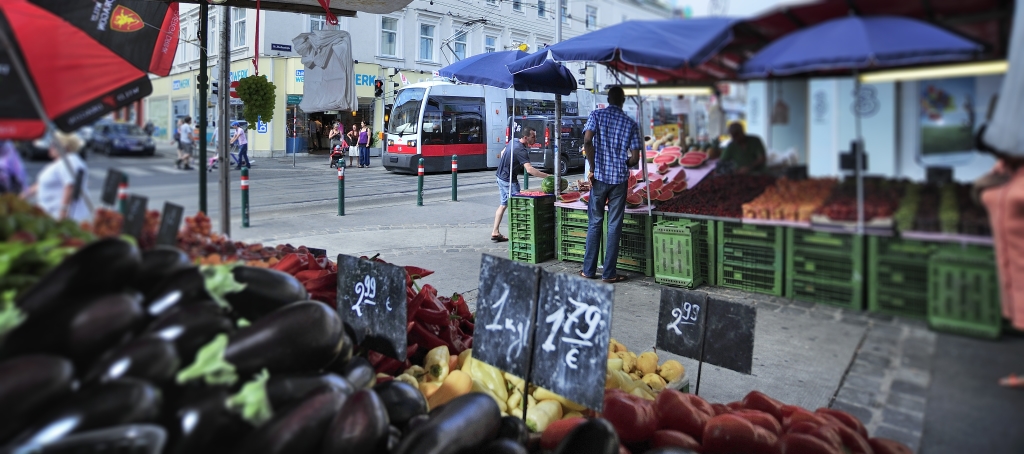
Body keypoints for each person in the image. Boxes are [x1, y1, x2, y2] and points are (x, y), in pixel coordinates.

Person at [581, 86, 640, 284]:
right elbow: (635, 158)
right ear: (622, 101)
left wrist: (593, 166)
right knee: (614, 225)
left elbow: (587, 140)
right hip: (619, 181)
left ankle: (588, 270)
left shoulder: (596, 115)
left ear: (608, 99)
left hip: (599, 178)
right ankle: (609, 274)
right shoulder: (630, 123)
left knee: (594, 222)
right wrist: (622, 163)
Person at [490, 127, 549, 242]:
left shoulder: (513, 141)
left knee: (503, 204)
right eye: (533, 137)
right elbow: (530, 170)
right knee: (518, 208)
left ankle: (495, 232)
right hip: (509, 181)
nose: (535, 139)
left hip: (500, 177)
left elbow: (503, 153)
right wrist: (548, 176)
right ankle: (519, 235)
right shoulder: (521, 150)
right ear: (526, 138)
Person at [21, 132, 90, 221]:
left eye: (54, 144)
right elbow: (39, 185)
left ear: (66, 147)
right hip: (50, 216)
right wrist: (22, 196)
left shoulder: (70, 160)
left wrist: (63, 212)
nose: (50, 147)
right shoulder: (60, 163)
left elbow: (70, 185)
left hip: (60, 217)